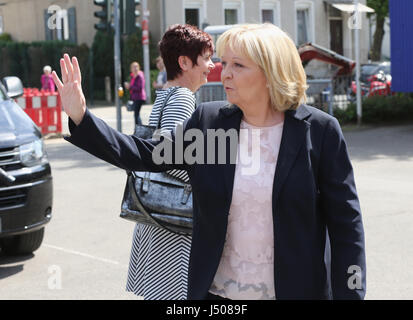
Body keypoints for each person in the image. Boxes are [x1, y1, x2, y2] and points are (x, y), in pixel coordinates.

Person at [52, 23, 366, 300]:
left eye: (238, 65)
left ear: (272, 72)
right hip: (218, 295)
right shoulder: (211, 123)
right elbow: (145, 154)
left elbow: (346, 226)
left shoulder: (321, 131)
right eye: (224, 62)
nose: (223, 72)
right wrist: (81, 116)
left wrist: (351, 293)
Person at [124, 62, 146, 126]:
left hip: (140, 97)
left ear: (139, 68)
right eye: (134, 67)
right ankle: (139, 129)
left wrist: (130, 86)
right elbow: (133, 87)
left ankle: (139, 129)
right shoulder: (133, 76)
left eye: (136, 66)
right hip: (135, 97)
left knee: (136, 114)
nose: (135, 68)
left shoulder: (140, 76)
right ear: (131, 69)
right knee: (136, 114)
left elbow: (140, 87)